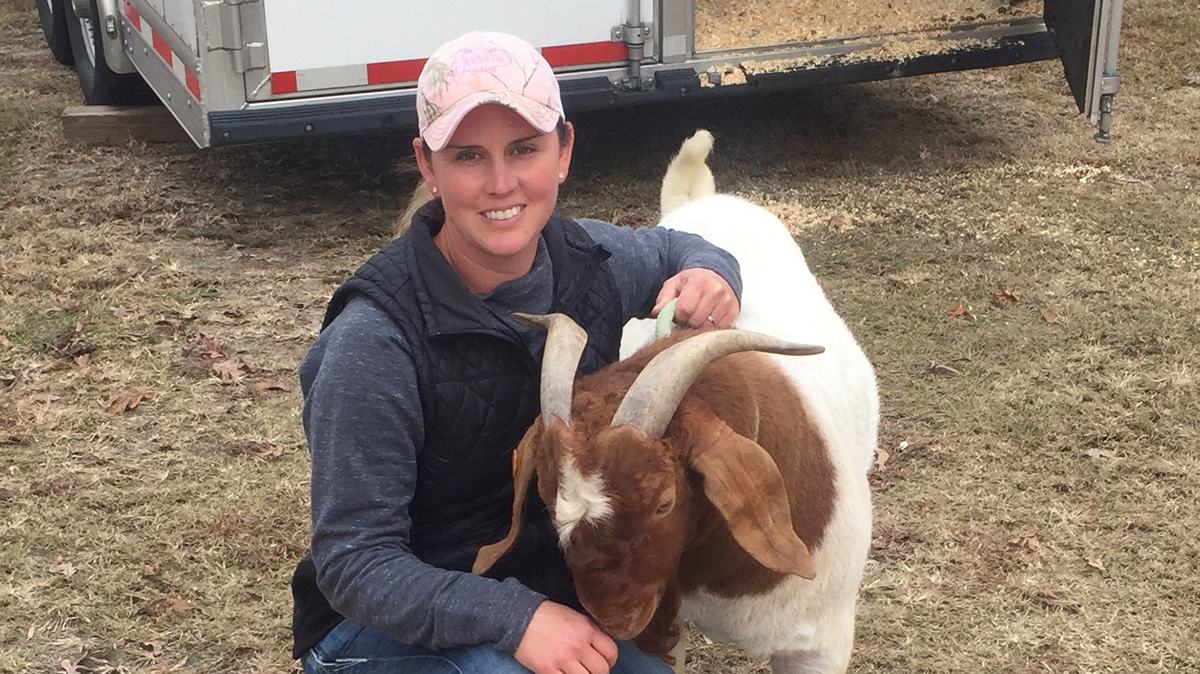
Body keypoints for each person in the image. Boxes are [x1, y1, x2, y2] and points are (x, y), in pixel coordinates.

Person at [290, 30, 741, 674]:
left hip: (539, 592)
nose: (502, 183)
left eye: (524, 149)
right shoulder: (373, 344)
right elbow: (356, 564)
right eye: (469, 156)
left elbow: (678, 249)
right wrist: (515, 619)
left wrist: (711, 272)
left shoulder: (588, 260)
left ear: (564, 151)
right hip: (377, 628)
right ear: (427, 165)